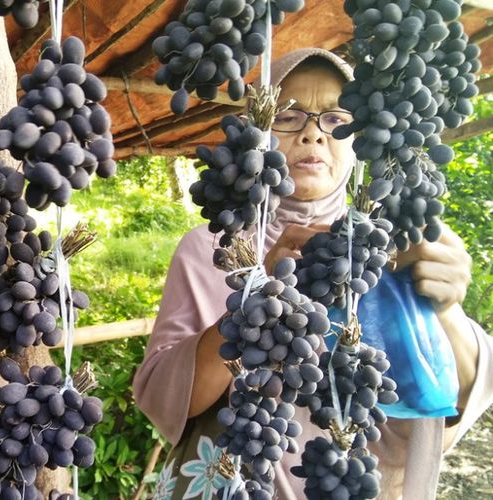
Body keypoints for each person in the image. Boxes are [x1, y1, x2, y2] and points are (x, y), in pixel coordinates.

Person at [132, 48, 493, 500]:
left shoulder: (397, 246)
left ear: (359, 136)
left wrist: (447, 310)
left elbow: (456, 398)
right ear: (258, 130)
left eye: (336, 119)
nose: (312, 135)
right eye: (288, 116)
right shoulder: (212, 247)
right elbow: (167, 401)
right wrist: (256, 298)